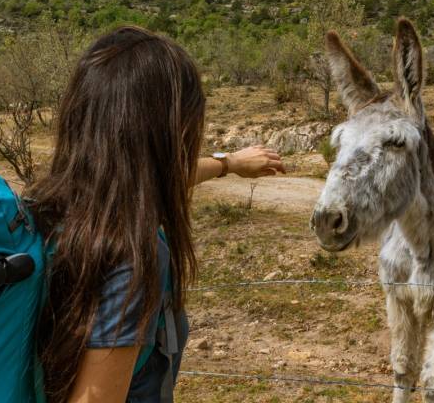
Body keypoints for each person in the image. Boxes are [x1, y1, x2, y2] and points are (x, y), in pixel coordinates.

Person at [26, 26, 285, 403]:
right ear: (168, 131)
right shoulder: (128, 256)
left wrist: (228, 163)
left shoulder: (47, 209)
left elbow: (151, 179)